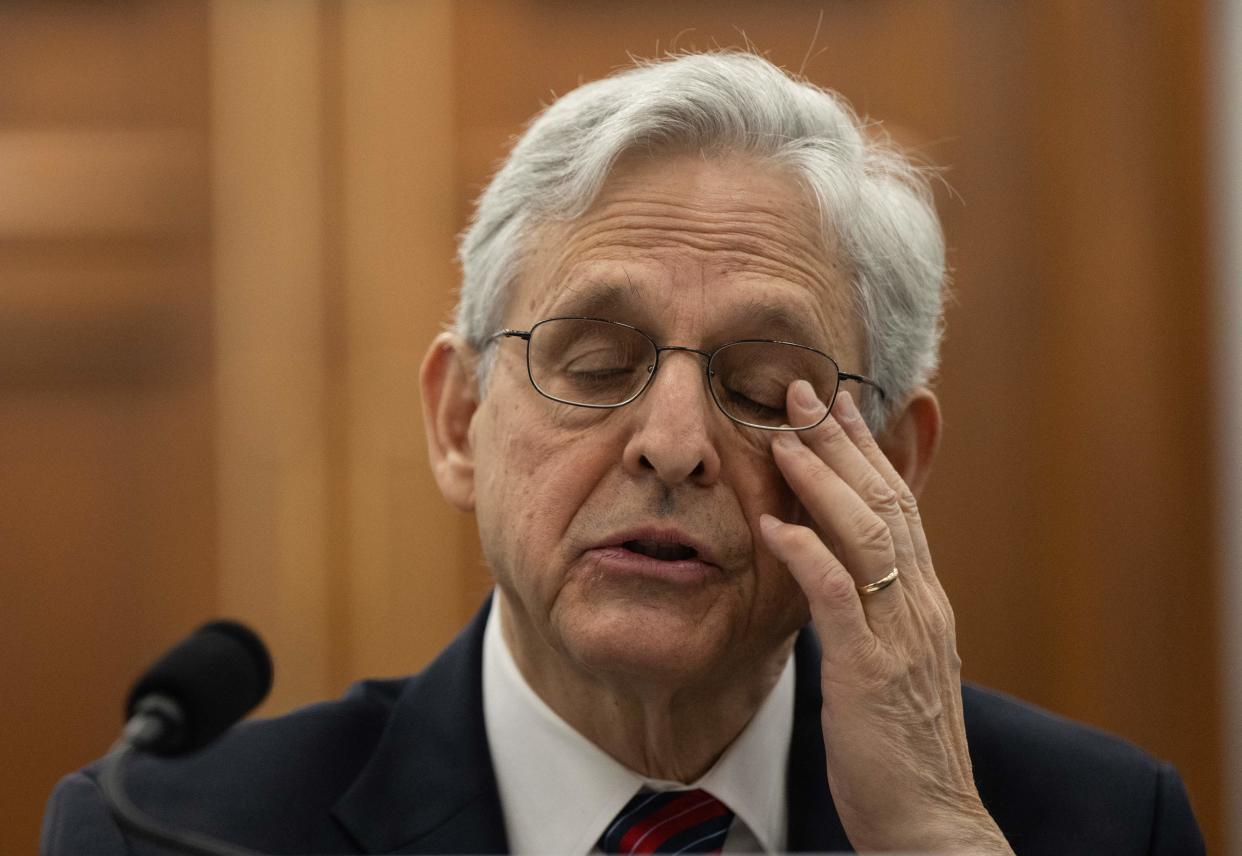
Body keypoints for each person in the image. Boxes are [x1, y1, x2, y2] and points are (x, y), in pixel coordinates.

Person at [42, 51, 1203, 855]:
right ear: (458, 421)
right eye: (596, 364)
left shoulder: (1089, 822)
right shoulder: (166, 832)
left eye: (763, 388)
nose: (675, 444)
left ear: (890, 463)